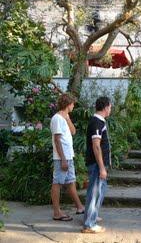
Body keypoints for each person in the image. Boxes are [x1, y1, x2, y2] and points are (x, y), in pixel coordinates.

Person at [50, 93, 85, 222]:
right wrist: (63, 159)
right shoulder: (57, 118)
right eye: (72, 104)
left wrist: (68, 118)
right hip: (61, 157)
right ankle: (56, 212)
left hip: (69, 156)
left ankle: (79, 207)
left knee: (71, 181)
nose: (73, 106)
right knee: (57, 183)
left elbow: (73, 131)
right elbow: (57, 140)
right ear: (67, 104)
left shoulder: (64, 118)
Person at [81, 97, 112, 233]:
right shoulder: (97, 122)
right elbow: (96, 146)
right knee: (94, 192)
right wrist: (101, 167)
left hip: (99, 164)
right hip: (96, 165)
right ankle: (89, 224)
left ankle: (92, 216)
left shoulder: (99, 121)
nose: (110, 109)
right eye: (110, 107)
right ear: (105, 107)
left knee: (99, 191)